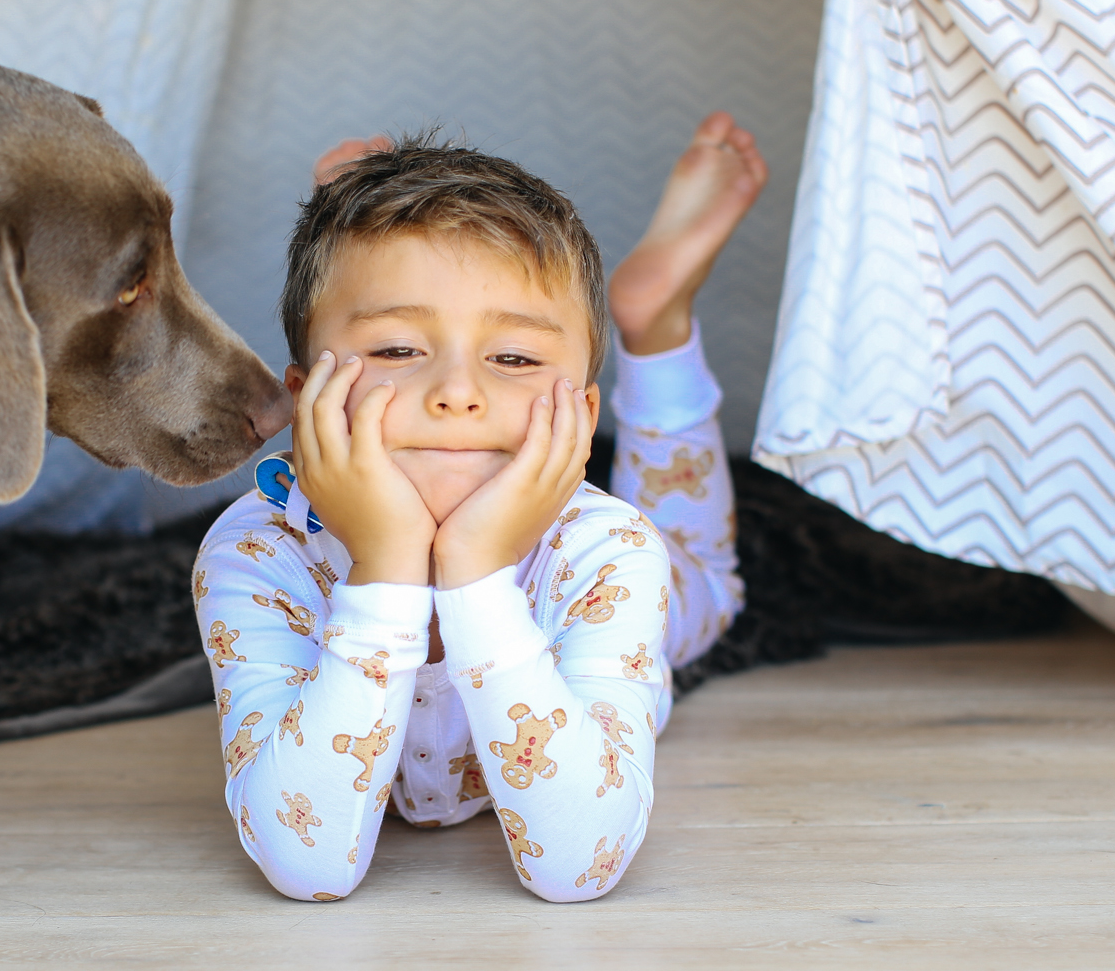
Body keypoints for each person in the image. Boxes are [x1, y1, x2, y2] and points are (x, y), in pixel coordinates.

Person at [191, 113, 768, 902]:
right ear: (304, 399)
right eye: (397, 349)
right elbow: (307, 866)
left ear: (585, 415)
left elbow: (578, 869)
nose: (458, 393)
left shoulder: (608, 554)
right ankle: (362, 218)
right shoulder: (259, 552)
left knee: (706, 589)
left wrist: (475, 578)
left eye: (515, 358)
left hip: (584, 568)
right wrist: (388, 567)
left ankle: (656, 325)